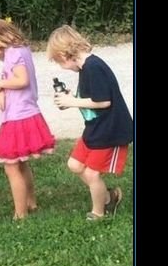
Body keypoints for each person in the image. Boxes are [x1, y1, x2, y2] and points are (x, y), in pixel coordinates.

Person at [46, 24, 133, 220]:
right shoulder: (85, 69)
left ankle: (99, 212)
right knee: (75, 164)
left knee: (93, 174)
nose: (61, 66)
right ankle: (109, 196)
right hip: (95, 129)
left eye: (59, 62)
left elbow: (103, 101)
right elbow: (91, 97)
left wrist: (72, 101)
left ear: (64, 54)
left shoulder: (93, 67)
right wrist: (71, 98)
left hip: (111, 131)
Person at [0, 18, 55, 220]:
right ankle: (31, 202)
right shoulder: (21, 50)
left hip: (17, 117)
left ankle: (20, 214)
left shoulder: (13, 54)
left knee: (11, 166)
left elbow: (21, 80)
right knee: (21, 163)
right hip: (24, 112)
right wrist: (2, 89)